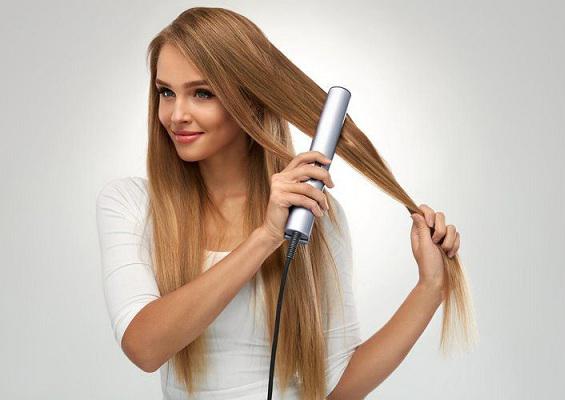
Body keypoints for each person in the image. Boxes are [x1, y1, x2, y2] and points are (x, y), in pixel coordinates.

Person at [96, 7, 465, 400]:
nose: (176, 115)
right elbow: (145, 347)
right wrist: (266, 237)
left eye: (202, 93)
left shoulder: (311, 213)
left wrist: (430, 288)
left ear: (252, 99)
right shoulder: (132, 205)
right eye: (166, 92)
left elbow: (337, 388)